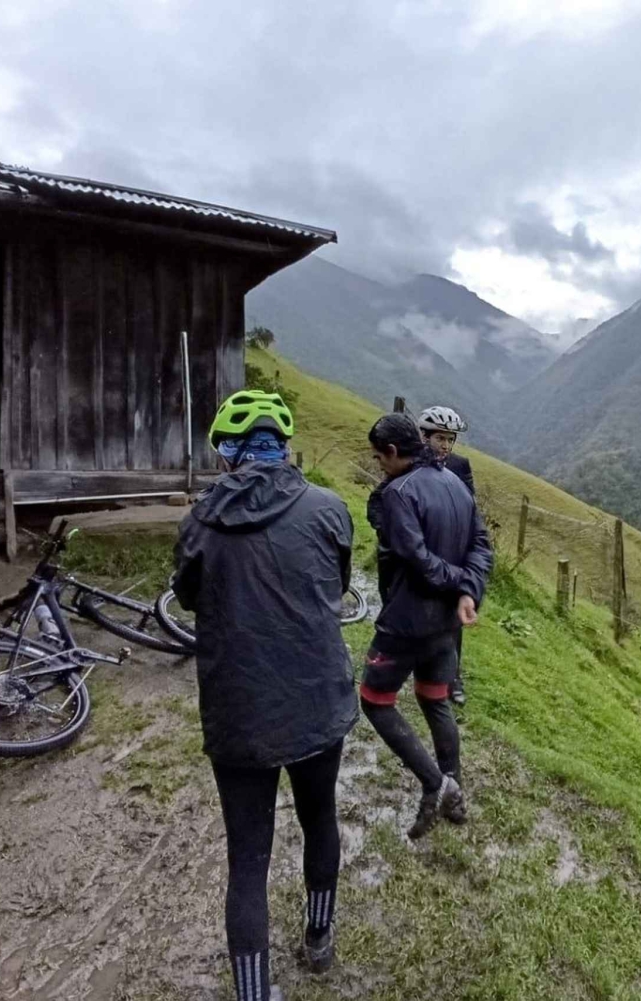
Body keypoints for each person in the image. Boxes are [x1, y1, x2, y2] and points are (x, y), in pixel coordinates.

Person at [173, 389, 357, 1001]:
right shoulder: (329, 508)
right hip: (316, 701)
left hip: (238, 709)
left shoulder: (198, 520)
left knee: (247, 860)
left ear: (226, 452)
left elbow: (193, 597)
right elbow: (335, 585)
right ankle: (319, 938)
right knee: (320, 818)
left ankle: (254, 994)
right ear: (284, 447)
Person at [361, 412, 494, 839]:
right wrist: (468, 591)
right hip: (445, 626)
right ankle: (454, 788)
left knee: (375, 700)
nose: (379, 465)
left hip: (406, 620)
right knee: (435, 699)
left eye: (380, 458)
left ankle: (435, 784)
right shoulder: (456, 483)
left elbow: (418, 562)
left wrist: (458, 583)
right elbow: (480, 545)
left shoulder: (399, 493)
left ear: (395, 452)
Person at [418, 405, 474, 706]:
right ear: (424, 436)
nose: (445, 445)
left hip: (450, 556)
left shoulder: (460, 465)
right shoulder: (411, 464)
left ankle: (453, 676)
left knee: (453, 618)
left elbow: (470, 510)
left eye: (450, 439)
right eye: (440, 438)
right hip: (417, 554)